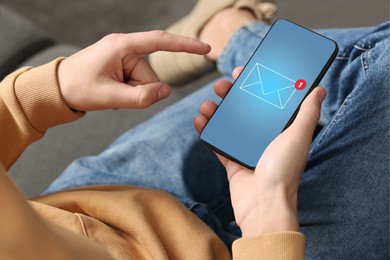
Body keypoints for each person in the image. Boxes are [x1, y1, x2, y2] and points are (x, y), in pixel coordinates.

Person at [0, 1, 388, 259]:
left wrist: (43, 92)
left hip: (107, 205)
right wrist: (268, 219)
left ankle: (233, 38)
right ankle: (235, 37)